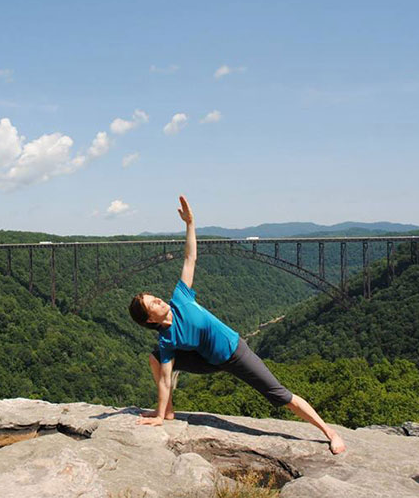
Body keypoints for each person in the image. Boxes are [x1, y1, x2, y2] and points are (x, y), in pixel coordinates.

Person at [128, 195, 346, 455]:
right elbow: (165, 381)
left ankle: (329, 432)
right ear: (150, 318)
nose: (158, 298)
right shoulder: (166, 340)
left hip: (234, 352)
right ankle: (169, 412)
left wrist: (190, 223)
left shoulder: (180, 298)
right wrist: (160, 416)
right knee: (156, 359)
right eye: (152, 302)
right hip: (209, 361)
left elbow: (190, 258)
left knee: (280, 395)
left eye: (154, 296)